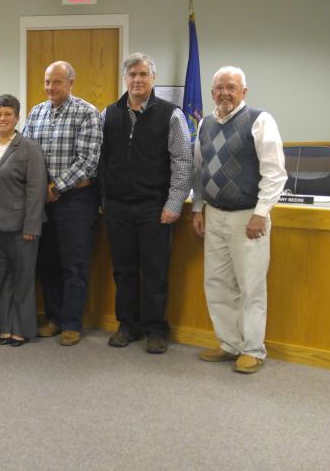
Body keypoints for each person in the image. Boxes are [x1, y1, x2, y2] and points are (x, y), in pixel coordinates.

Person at [192, 66, 286, 374]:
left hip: (248, 218)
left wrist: (261, 213)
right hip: (215, 216)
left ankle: (253, 349)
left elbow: (275, 173)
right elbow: (200, 171)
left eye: (231, 87)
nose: (224, 93)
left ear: (244, 92)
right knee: (217, 284)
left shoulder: (259, 121)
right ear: (212, 92)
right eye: (219, 88)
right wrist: (198, 208)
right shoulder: (204, 124)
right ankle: (229, 344)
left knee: (250, 287)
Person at [100, 53, 192, 354]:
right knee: (123, 271)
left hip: (154, 207)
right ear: (125, 79)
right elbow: (102, 160)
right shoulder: (108, 114)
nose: (137, 80)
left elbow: (182, 161)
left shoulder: (171, 114)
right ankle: (128, 325)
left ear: (153, 78)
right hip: (116, 207)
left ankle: (156, 329)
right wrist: (103, 200)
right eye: (132, 75)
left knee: (155, 271)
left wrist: (174, 203)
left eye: (143, 74)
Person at [22, 60, 102, 346]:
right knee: (48, 263)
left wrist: (56, 187)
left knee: (74, 264)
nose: (50, 88)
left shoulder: (87, 113)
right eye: (47, 82)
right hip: (43, 201)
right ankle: (54, 319)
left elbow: (89, 160)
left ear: (71, 83)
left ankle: (72, 324)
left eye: (56, 82)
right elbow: (27, 154)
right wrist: (39, 189)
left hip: (76, 200)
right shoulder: (36, 113)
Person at [0, 94, 47, 347]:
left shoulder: (29, 148)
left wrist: (32, 225)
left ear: (17, 118)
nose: (2, 118)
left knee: (22, 279)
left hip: (20, 227)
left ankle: (22, 329)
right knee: (0, 279)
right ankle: (4, 328)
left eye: (8, 114)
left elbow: (36, 190)